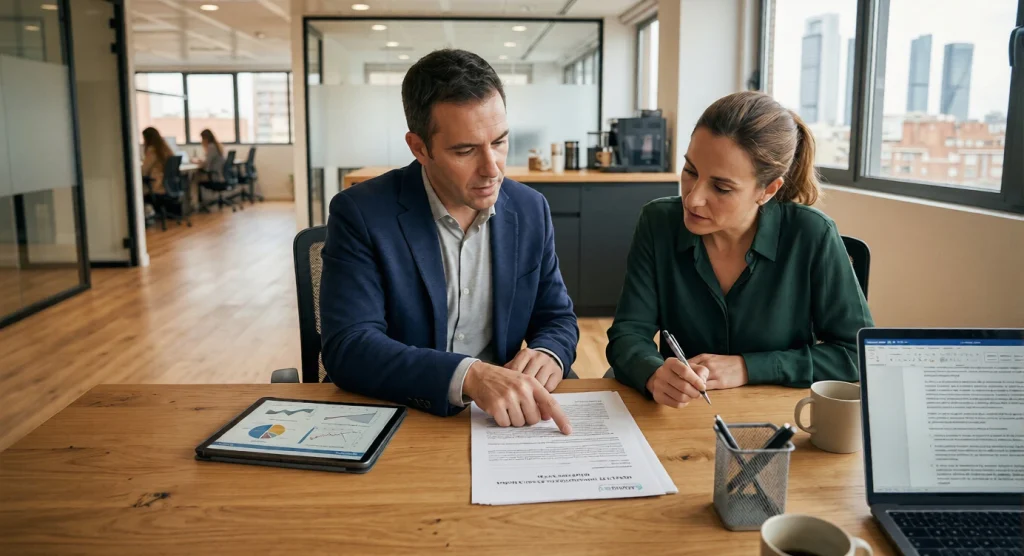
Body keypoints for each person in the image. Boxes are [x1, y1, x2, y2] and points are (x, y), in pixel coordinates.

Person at [319, 49, 578, 433]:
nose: (492, 169)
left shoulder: (529, 209)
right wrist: (470, 376)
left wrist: (549, 353)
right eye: (465, 150)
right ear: (419, 147)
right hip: (404, 413)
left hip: (505, 421)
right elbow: (349, 346)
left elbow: (557, 316)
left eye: (500, 142)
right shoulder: (361, 213)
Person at [606, 91, 874, 409]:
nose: (692, 199)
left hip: (780, 419)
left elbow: (859, 352)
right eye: (690, 171)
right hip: (682, 416)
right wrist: (653, 373)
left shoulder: (812, 233)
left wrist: (749, 367)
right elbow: (628, 334)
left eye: (721, 187)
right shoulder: (658, 222)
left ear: (768, 189)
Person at [141, 127, 174, 194]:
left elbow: (144, 171)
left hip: (157, 185)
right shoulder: (165, 149)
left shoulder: (152, 150)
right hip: (168, 186)